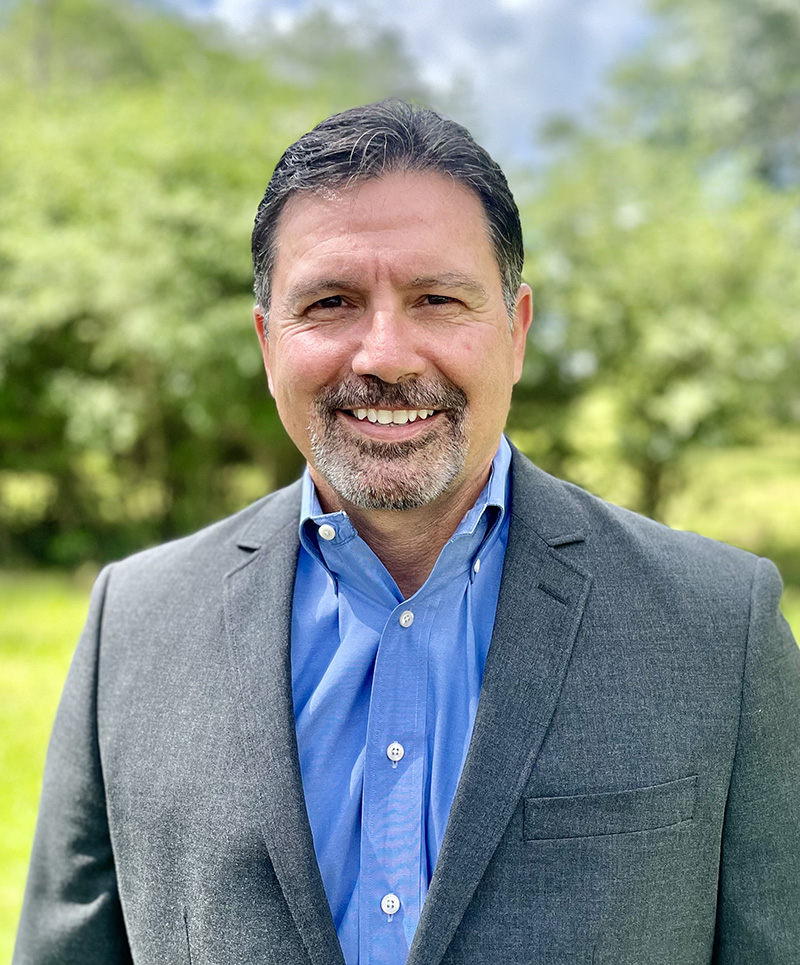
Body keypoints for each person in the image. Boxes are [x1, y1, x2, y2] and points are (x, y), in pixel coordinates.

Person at [14, 100, 800, 965]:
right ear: (269, 344)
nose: (386, 354)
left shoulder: (720, 628)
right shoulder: (133, 623)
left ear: (516, 331)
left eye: (437, 298)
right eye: (331, 302)